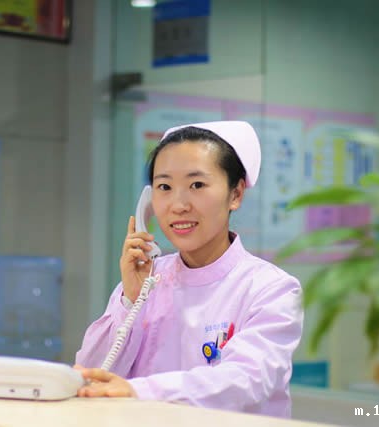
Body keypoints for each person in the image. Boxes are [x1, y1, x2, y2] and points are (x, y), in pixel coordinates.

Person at [74, 121, 303, 417]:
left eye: (197, 185)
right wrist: (129, 299)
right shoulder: (146, 281)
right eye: (164, 187)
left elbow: (247, 381)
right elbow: (90, 375)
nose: (178, 205)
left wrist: (139, 391)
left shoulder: (271, 288)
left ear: (235, 194)